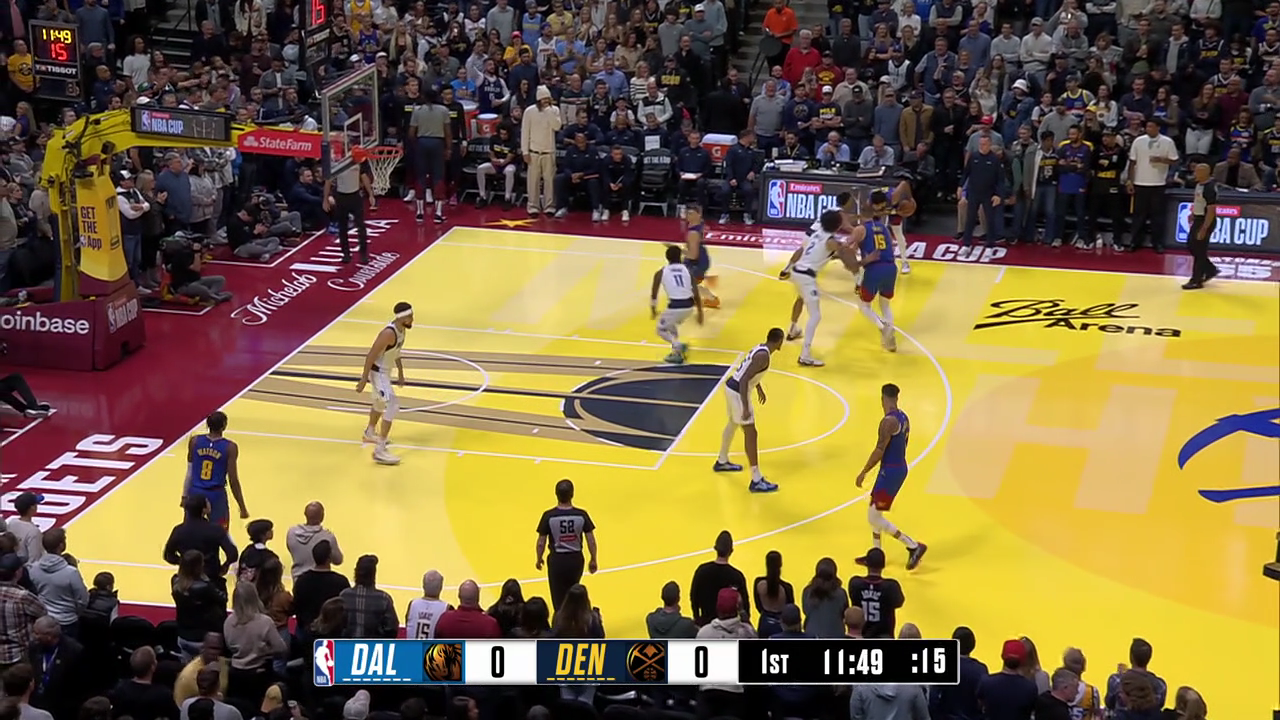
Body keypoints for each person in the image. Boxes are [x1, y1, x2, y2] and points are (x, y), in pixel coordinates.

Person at [855, 383, 927, 570]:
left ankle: (913, 546)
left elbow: (880, 450)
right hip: (897, 467)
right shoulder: (903, 417)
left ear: (883, 399)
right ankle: (876, 556)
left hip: (890, 472)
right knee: (875, 512)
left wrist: (863, 472)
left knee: (873, 517)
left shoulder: (887, 423)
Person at [713, 328, 786, 493]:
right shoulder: (763, 356)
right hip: (738, 391)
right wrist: (745, 406)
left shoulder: (761, 348)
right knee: (751, 433)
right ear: (779, 341)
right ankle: (756, 479)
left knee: (732, 423)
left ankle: (722, 461)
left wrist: (758, 388)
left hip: (731, 387)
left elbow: (749, 371)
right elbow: (745, 378)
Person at [779, 209, 850, 367]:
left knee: (800, 298)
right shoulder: (831, 241)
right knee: (816, 316)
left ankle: (793, 329)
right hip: (806, 277)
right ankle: (805, 355)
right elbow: (843, 255)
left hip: (797, 272)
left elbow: (809, 252)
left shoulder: (815, 234)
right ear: (838, 225)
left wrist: (787, 268)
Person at [355, 302, 415, 465]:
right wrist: (363, 379)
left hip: (386, 372)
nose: (412, 319)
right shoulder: (388, 334)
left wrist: (401, 372)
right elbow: (370, 356)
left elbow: (396, 352)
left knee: (379, 404)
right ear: (402, 318)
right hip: (378, 373)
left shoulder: (402, 330)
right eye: (410, 317)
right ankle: (380, 450)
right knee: (393, 405)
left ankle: (369, 433)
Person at [535, 479, 598, 611]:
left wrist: (539, 558)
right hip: (575, 559)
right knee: (574, 593)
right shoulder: (581, 515)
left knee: (558, 597)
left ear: (556, 494)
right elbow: (591, 540)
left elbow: (541, 542)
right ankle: (574, 618)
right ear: (572, 494)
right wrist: (593, 559)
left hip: (557, 560)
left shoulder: (549, 516)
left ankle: (560, 619)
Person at [182, 411, 249, 531]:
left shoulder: (195, 441)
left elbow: (189, 471)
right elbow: (233, 479)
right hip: (216, 494)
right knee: (220, 533)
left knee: (190, 530)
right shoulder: (230, 447)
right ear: (224, 426)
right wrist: (242, 506)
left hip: (195, 491)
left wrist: (184, 496)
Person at [849, 191, 899, 352]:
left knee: (864, 306)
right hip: (891, 267)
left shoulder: (860, 229)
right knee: (885, 305)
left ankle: (883, 329)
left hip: (874, 268)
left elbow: (848, 250)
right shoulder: (884, 228)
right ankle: (890, 334)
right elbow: (892, 246)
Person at [650, 244, 704, 364]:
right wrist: (700, 313)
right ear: (680, 256)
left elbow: (654, 294)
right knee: (671, 326)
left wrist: (653, 310)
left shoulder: (661, 272)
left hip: (675, 307)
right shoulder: (688, 271)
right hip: (689, 306)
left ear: (667, 257)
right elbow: (696, 293)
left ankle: (678, 346)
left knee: (661, 329)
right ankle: (676, 352)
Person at [408, 88, 453, 224]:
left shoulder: (417, 110)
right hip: (437, 143)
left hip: (422, 142)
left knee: (420, 177)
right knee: (438, 177)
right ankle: (438, 213)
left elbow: (411, 132)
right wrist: (448, 148)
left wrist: (416, 145)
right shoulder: (444, 110)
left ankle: (420, 213)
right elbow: (448, 132)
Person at [847, 548, 905, 638]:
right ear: (883, 566)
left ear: (866, 564)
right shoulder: (891, 587)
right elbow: (899, 602)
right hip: (884, 635)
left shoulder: (855, 584)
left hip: (861, 635)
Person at [1182, 162, 1221, 290]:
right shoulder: (1199, 184)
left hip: (1205, 220)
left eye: (1197, 172)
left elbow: (1211, 210)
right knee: (1192, 246)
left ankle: (1196, 280)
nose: (1195, 174)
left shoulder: (1209, 188)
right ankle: (1210, 269)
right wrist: (1193, 213)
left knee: (1199, 250)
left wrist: (1204, 228)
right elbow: (1199, 202)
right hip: (1198, 218)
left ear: (1205, 173)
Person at [683, 204, 720, 308]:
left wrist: (678, 250)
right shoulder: (699, 224)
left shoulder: (693, 233)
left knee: (686, 282)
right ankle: (699, 296)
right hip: (702, 258)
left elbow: (693, 255)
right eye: (687, 213)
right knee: (689, 282)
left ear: (699, 214)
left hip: (697, 262)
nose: (688, 216)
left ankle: (711, 298)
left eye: (691, 214)